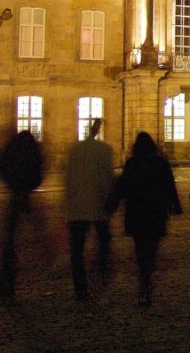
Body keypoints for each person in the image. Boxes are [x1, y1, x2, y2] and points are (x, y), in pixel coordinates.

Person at [108, 132, 181, 307]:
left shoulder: (132, 164)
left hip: (137, 214)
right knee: (152, 248)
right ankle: (146, 278)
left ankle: (144, 279)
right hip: (155, 213)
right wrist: (175, 206)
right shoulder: (161, 163)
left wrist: (112, 204)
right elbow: (169, 186)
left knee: (140, 249)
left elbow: (122, 187)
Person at [65, 119, 114, 301]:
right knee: (103, 241)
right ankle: (100, 272)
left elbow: (68, 179)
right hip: (98, 204)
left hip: (77, 207)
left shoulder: (74, 150)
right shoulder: (105, 150)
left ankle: (80, 288)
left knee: (76, 251)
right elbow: (108, 178)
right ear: (99, 130)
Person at [0, 130, 44, 300]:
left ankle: (7, 279)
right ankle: (45, 255)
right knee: (34, 232)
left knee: (10, 240)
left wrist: (12, 185)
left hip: (16, 194)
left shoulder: (11, 151)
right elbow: (38, 172)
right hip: (25, 194)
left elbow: (3, 168)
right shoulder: (32, 153)